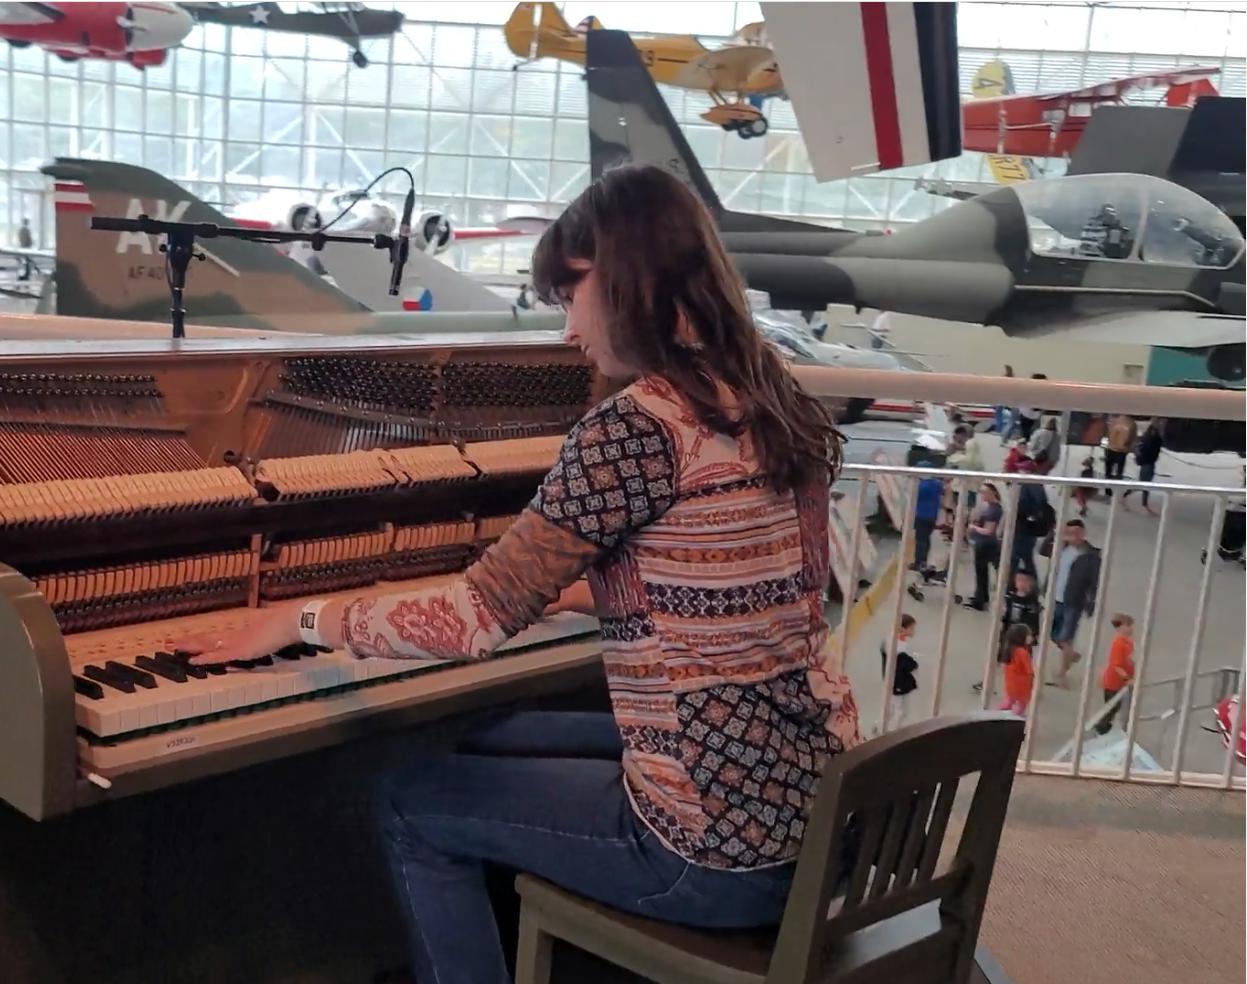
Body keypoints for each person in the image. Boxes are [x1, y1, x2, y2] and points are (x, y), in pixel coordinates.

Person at [179, 164, 859, 984]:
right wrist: (579, 594)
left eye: (568, 297)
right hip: (816, 812)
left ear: (620, 278)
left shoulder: (636, 429)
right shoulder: (770, 395)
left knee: (408, 800)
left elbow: (472, 621)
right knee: (483, 737)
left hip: (712, 854)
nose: (568, 330)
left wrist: (298, 620)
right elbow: (744, 584)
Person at [1047, 519, 1103, 687]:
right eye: (1069, 533)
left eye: (1075, 533)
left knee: (1066, 638)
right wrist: (1054, 533)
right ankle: (1070, 655)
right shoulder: (1062, 547)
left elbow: (1095, 582)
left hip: (1073, 601)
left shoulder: (1091, 556)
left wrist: (1090, 602)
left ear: (1082, 533)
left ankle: (1063, 674)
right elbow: (1044, 550)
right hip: (1055, 597)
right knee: (1049, 632)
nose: (1072, 536)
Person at [963, 483, 1004, 611]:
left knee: (983, 572)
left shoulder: (993, 510)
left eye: (984, 492)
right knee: (983, 572)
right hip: (983, 543)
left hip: (986, 544)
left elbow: (988, 531)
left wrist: (973, 528)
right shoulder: (988, 507)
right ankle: (981, 597)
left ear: (992, 493)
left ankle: (981, 599)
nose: (981, 495)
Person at [1095, 614, 1136, 735]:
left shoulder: (1128, 644)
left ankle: (1104, 728)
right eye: (1127, 626)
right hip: (1113, 683)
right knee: (1111, 708)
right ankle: (1101, 729)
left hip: (1121, 684)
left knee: (1115, 707)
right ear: (1119, 628)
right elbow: (1117, 665)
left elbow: (1129, 661)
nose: (1130, 629)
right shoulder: (1118, 644)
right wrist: (1128, 678)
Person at [881, 614, 920, 732]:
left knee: (893, 706)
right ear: (903, 629)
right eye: (911, 628)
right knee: (901, 709)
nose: (913, 631)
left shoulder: (889, 641)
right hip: (899, 682)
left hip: (890, 679)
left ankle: (881, 724)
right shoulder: (902, 647)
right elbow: (908, 665)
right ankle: (893, 730)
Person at [1126, 419, 1163, 516]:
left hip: (1148, 462)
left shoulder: (1150, 435)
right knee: (1145, 485)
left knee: (1143, 484)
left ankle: (1125, 495)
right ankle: (1143, 504)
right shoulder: (1152, 437)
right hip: (1148, 462)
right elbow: (1150, 449)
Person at [998, 623, 1036, 716]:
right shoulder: (1023, 653)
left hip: (1010, 681)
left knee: (1009, 701)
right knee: (1022, 704)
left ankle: (998, 711)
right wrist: (1033, 682)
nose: (1031, 638)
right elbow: (1029, 670)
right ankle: (1015, 716)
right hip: (1023, 684)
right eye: (1029, 636)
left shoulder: (1009, 650)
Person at [1102, 413, 1137, 489]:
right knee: (1119, 471)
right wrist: (1130, 448)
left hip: (1111, 448)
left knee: (1108, 470)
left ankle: (1107, 489)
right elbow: (1133, 438)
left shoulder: (1113, 422)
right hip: (1122, 450)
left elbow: (1107, 434)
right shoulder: (1131, 423)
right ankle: (1117, 487)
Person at [991, 366, 1015, 436]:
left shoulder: (1006, 381)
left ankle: (999, 430)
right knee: (1002, 415)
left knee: (1000, 415)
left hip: (1003, 400)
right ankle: (1001, 430)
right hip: (1004, 400)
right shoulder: (1010, 381)